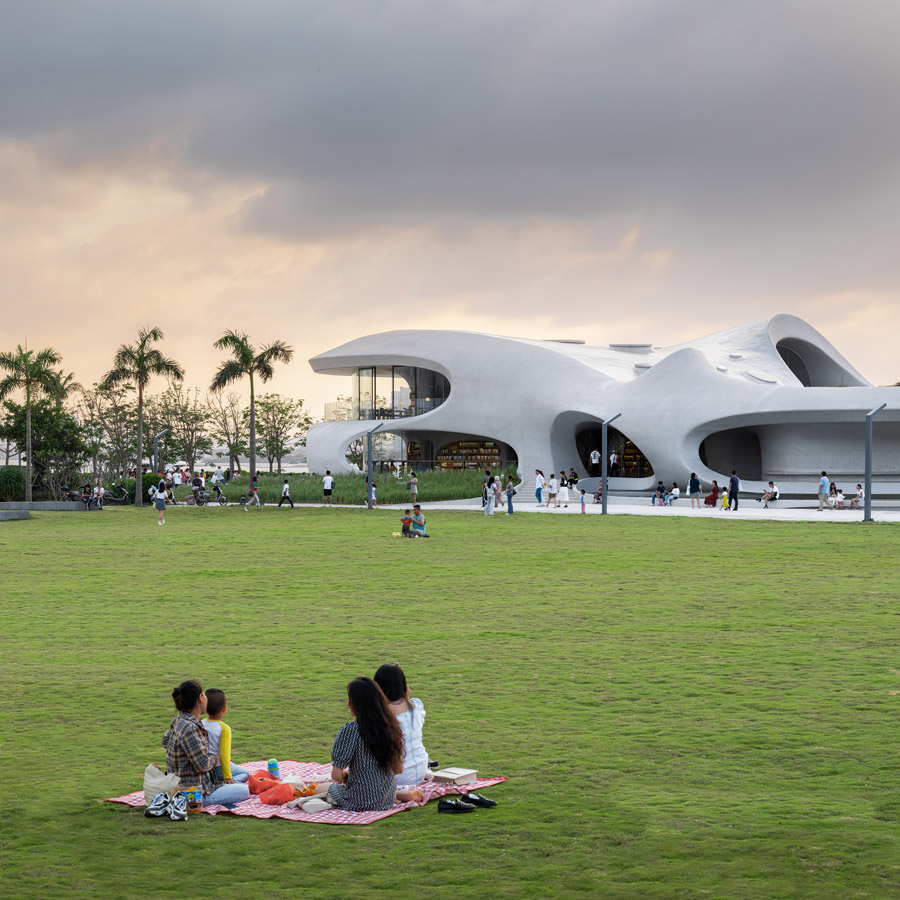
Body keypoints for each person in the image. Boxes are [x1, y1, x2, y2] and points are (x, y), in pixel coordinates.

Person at [325, 677, 424, 811]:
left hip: (359, 802)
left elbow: (336, 776)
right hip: (387, 799)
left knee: (322, 788)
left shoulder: (350, 731)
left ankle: (399, 794)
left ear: (353, 703)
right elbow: (398, 769)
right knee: (373, 788)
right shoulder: (391, 727)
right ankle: (399, 795)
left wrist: (347, 776)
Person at [162, 680, 249, 809]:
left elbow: (165, 741)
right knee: (243, 790)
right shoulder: (190, 727)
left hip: (186, 785)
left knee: (234, 781)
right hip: (193, 793)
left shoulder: (179, 719)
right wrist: (215, 758)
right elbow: (203, 764)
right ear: (200, 698)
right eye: (204, 694)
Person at [373, 664, 431, 788]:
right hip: (421, 769)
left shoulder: (382, 715)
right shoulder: (417, 706)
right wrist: (405, 697)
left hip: (398, 776)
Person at [202, 688, 250, 786]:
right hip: (219, 768)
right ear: (224, 709)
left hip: (205, 767)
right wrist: (228, 777)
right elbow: (224, 754)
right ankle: (225, 784)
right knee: (245, 774)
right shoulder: (224, 728)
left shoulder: (200, 723)